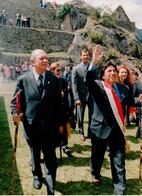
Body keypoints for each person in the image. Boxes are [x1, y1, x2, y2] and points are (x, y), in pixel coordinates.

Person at [11, 49, 65, 195]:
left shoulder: (54, 79)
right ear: (33, 62)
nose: (46, 61)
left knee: (50, 156)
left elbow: (59, 104)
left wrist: (61, 124)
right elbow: (15, 101)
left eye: (47, 58)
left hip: (50, 126)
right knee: (35, 154)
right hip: (31, 125)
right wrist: (15, 113)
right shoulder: (23, 79)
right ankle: (37, 175)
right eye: (42, 58)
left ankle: (51, 184)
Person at [85, 45, 131, 194]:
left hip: (116, 129)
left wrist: (140, 99)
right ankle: (95, 173)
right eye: (109, 71)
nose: (112, 72)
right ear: (103, 75)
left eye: (114, 71)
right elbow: (88, 80)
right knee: (98, 155)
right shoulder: (98, 86)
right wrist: (94, 62)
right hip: (100, 128)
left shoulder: (122, 89)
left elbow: (130, 102)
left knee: (118, 159)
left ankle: (119, 189)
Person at [49, 62, 72, 156]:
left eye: (60, 70)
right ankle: (53, 146)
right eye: (57, 70)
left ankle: (65, 145)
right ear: (52, 71)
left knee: (64, 128)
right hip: (53, 111)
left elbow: (67, 96)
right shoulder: (49, 82)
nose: (59, 72)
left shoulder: (63, 81)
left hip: (63, 109)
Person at [72, 48, 94, 141]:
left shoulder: (92, 68)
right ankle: (81, 132)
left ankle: (90, 133)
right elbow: (74, 84)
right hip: (80, 97)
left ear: (89, 57)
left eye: (87, 55)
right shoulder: (76, 69)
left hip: (91, 96)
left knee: (92, 115)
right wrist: (76, 98)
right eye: (83, 55)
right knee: (80, 116)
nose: (85, 57)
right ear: (81, 56)